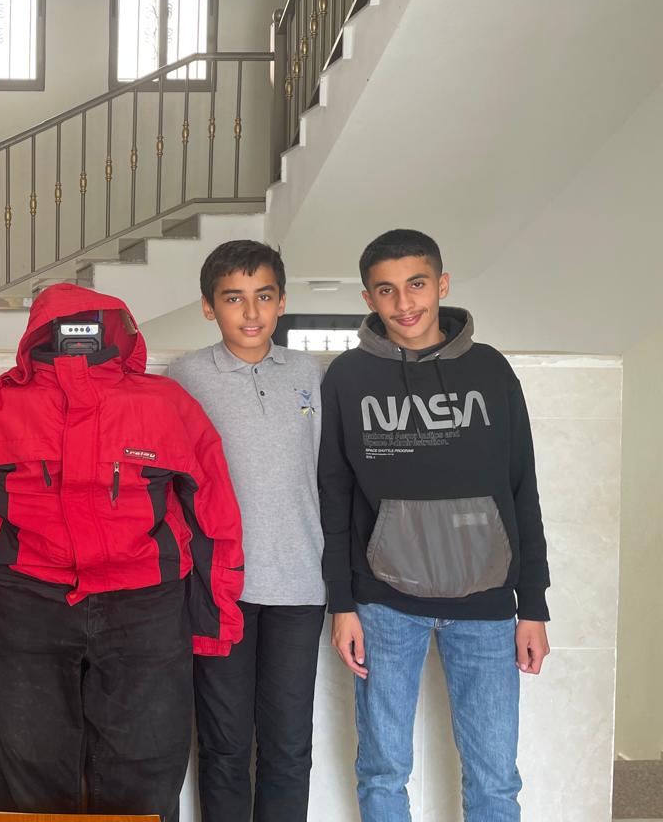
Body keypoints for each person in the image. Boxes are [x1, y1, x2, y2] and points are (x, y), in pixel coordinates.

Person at [0, 283, 244, 822]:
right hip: (26, 608)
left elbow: (214, 511)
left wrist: (213, 616)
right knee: (27, 769)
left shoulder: (165, 405)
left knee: (145, 770)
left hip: (146, 610)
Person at [319, 228, 551, 822]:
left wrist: (533, 606)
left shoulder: (490, 369)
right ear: (369, 298)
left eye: (417, 284)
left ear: (442, 284)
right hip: (383, 605)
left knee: (495, 780)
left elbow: (522, 489)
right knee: (382, 772)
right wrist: (342, 604)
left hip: (487, 606)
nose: (404, 303)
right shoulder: (347, 378)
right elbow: (335, 497)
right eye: (386, 290)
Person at [168, 240, 325, 822]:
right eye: (234, 298)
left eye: (263, 296)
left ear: (282, 302)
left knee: (289, 748)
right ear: (209, 307)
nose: (251, 312)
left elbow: (325, 475)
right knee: (224, 746)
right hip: (218, 589)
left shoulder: (309, 373)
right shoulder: (185, 377)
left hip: (300, 587)